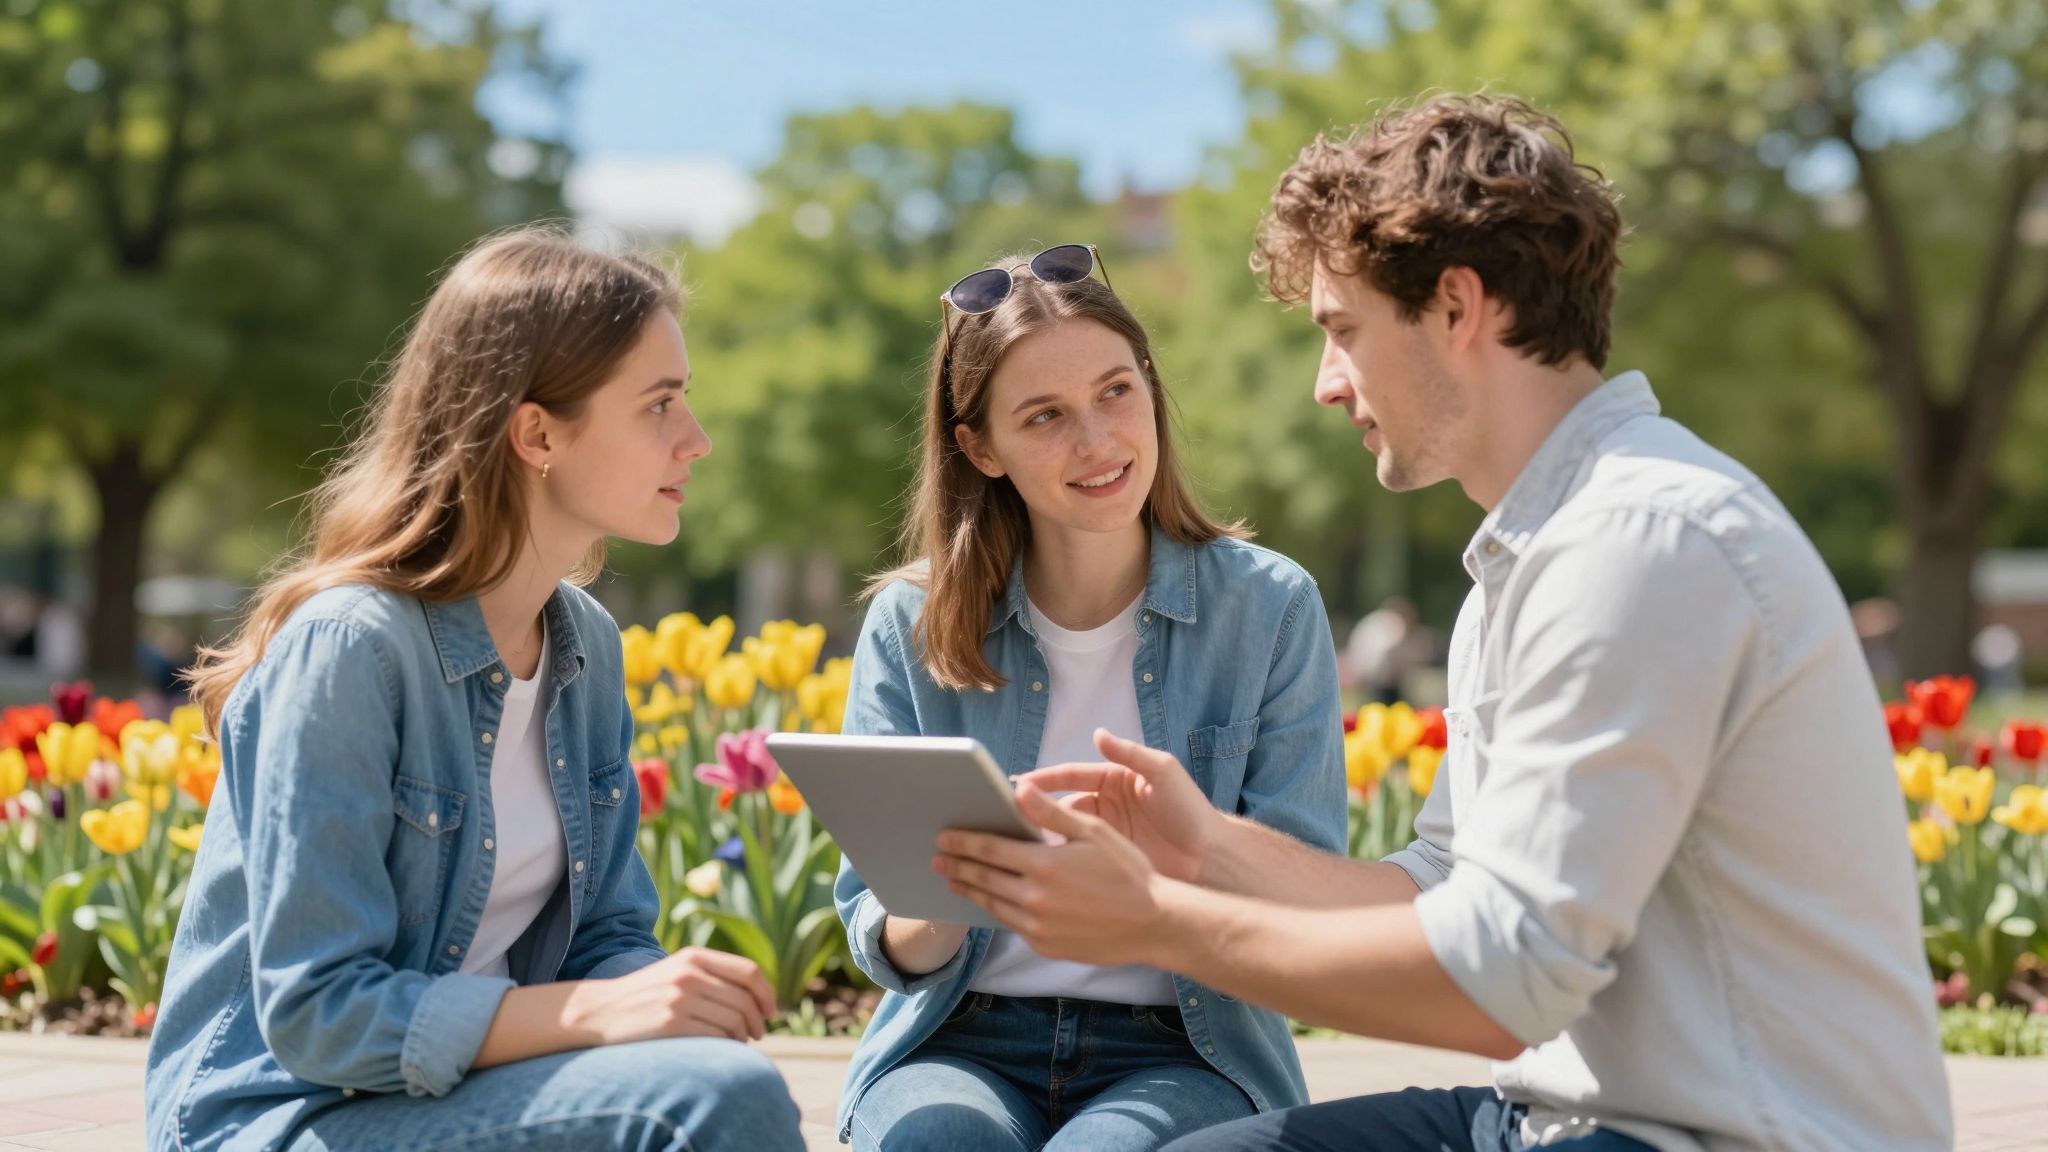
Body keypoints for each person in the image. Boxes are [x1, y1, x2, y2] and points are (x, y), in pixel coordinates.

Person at [936, 96, 1952, 1152]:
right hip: (1561, 1117)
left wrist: (1156, 921)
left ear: (1456, 307)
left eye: (1341, 332)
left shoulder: (1640, 544)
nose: (1327, 383)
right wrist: (1203, 847)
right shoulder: (1528, 557)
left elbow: (1495, 987)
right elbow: (1432, 891)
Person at [146, 227, 805, 1152]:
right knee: (709, 1103)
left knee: (709, 1080)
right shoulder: (350, 651)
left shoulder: (587, 647)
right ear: (536, 432)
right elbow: (319, 1013)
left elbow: (609, 933)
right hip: (284, 1116)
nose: (695, 441)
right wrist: (595, 1014)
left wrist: (659, 1001)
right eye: (660, 405)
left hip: (464, 1096)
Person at [835, 244, 1347, 1150]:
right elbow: (889, 945)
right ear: (980, 448)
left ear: (1151, 388)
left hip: (1185, 1051)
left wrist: (1174, 868)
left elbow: (1304, 907)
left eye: (1116, 391)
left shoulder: (1270, 608)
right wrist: (958, 888)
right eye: (1045, 416)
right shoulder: (908, 624)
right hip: (957, 1036)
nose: (1098, 441)